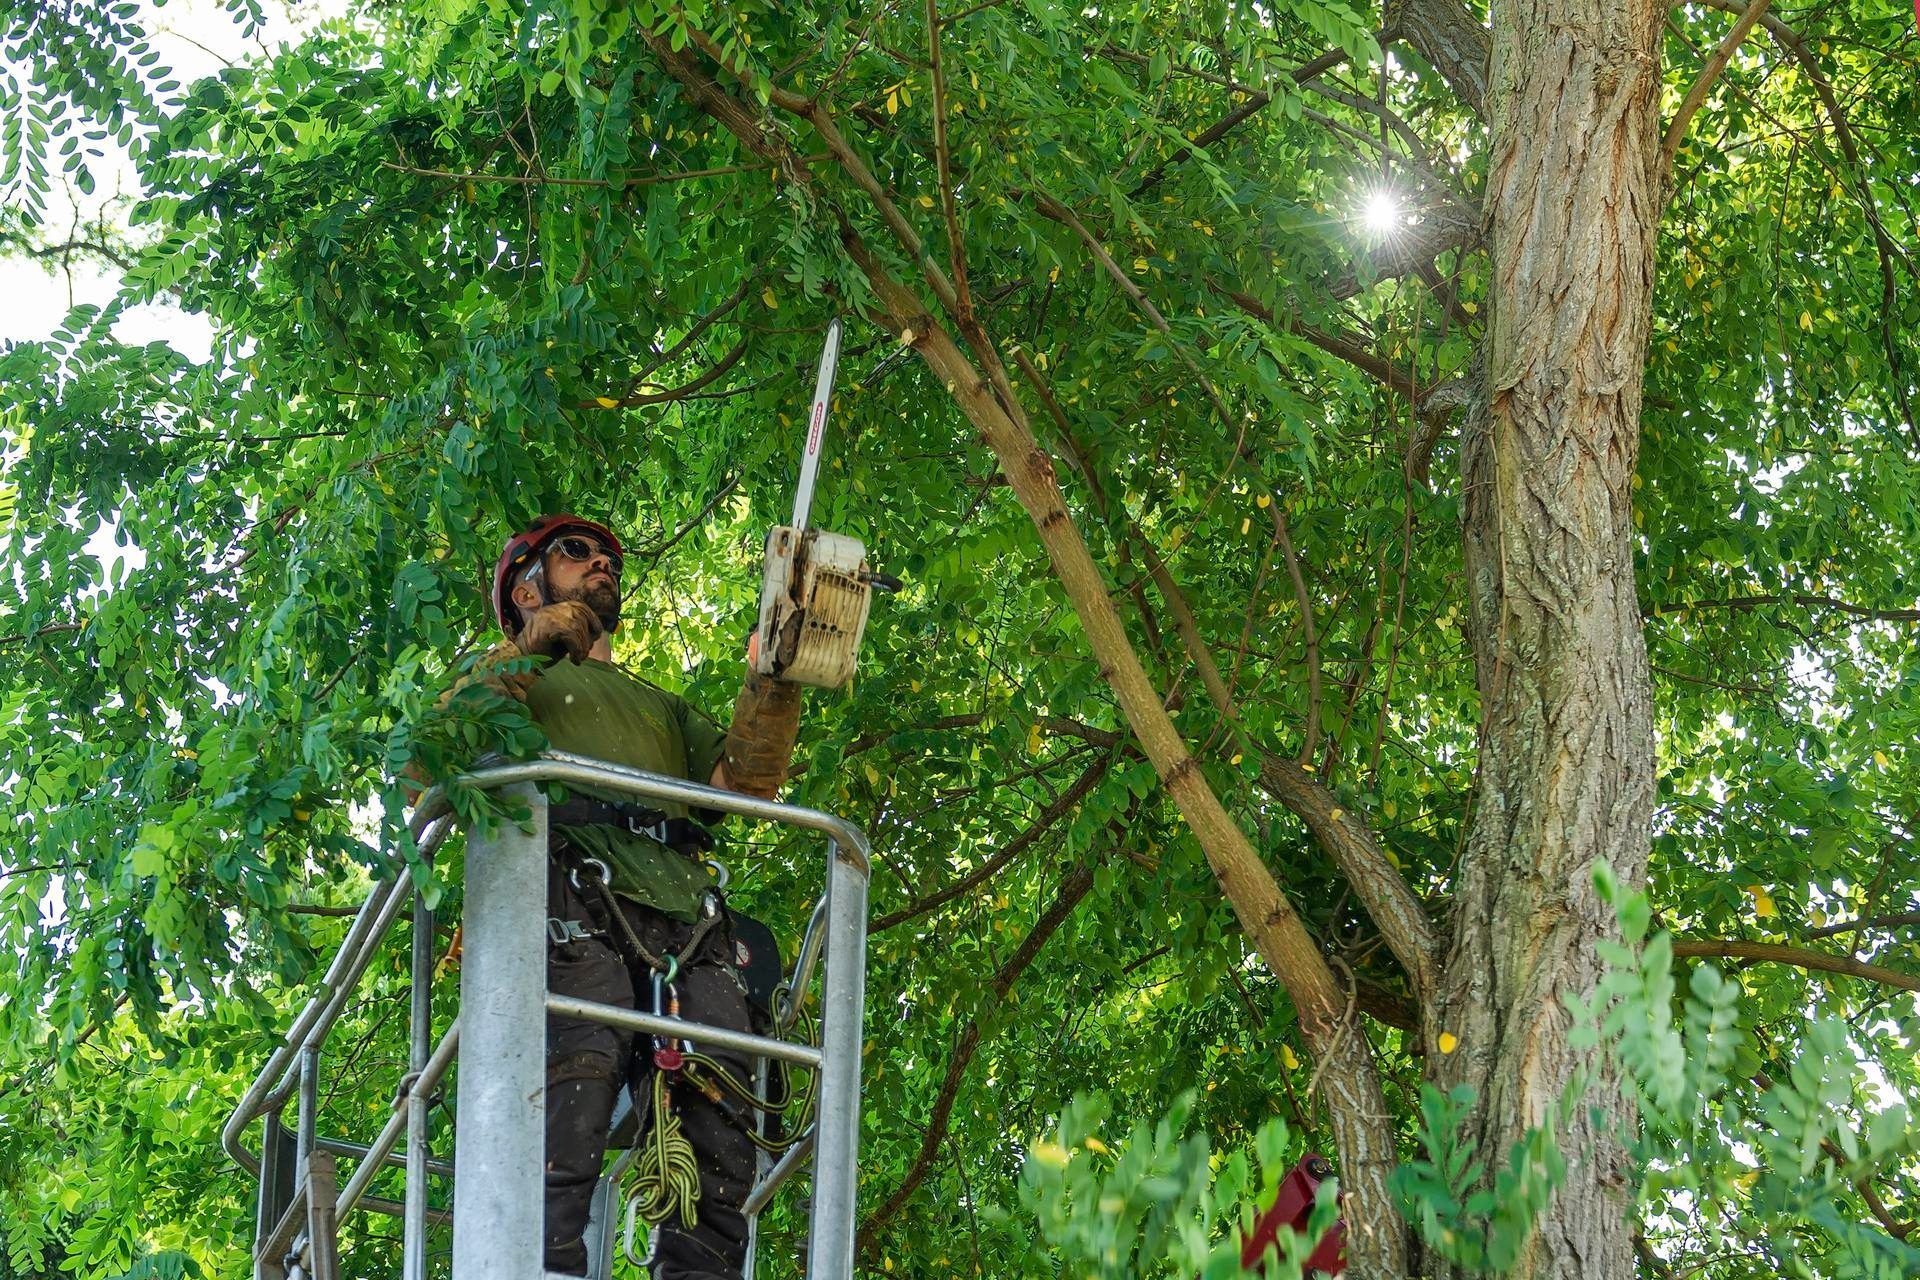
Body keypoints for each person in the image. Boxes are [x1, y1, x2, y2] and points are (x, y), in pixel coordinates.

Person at [464, 513, 802, 1280]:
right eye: (575, 553)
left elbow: (740, 785)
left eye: (610, 557)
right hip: (571, 893)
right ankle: (542, 1266)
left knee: (722, 1112)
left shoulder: (659, 704)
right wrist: (526, 652)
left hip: (686, 921)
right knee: (579, 1073)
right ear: (524, 585)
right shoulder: (504, 682)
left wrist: (774, 681)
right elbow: (428, 765)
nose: (601, 563)